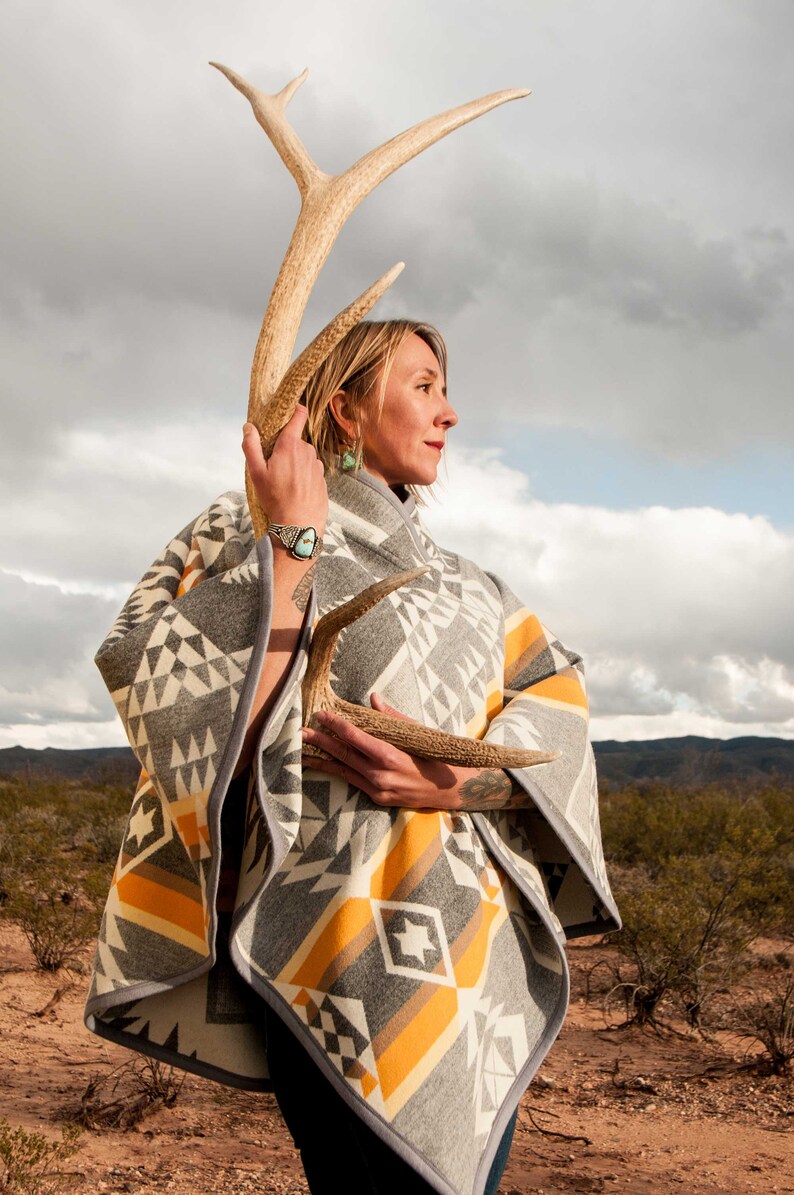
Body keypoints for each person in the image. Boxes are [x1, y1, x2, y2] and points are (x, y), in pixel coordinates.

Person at [85, 318, 619, 1195]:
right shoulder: (248, 525)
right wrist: (293, 542)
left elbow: (557, 699)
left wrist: (461, 785)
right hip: (328, 946)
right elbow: (168, 694)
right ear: (346, 407)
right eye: (423, 386)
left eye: (445, 389)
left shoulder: (473, 586)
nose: (449, 412)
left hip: (478, 968)